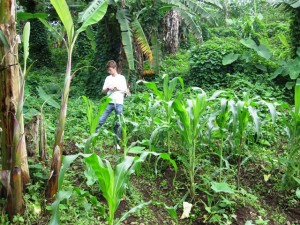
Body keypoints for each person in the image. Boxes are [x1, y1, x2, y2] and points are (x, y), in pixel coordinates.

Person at [96, 60, 127, 150]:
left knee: (118, 123)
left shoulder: (122, 78)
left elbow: (126, 91)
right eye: (108, 70)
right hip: (109, 102)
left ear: (114, 68)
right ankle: (93, 138)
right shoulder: (108, 78)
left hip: (119, 103)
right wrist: (109, 88)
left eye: (110, 70)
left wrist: (117, 89)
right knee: (101, 120)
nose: (109, 72)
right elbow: (103, 90)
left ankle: (116, 143)